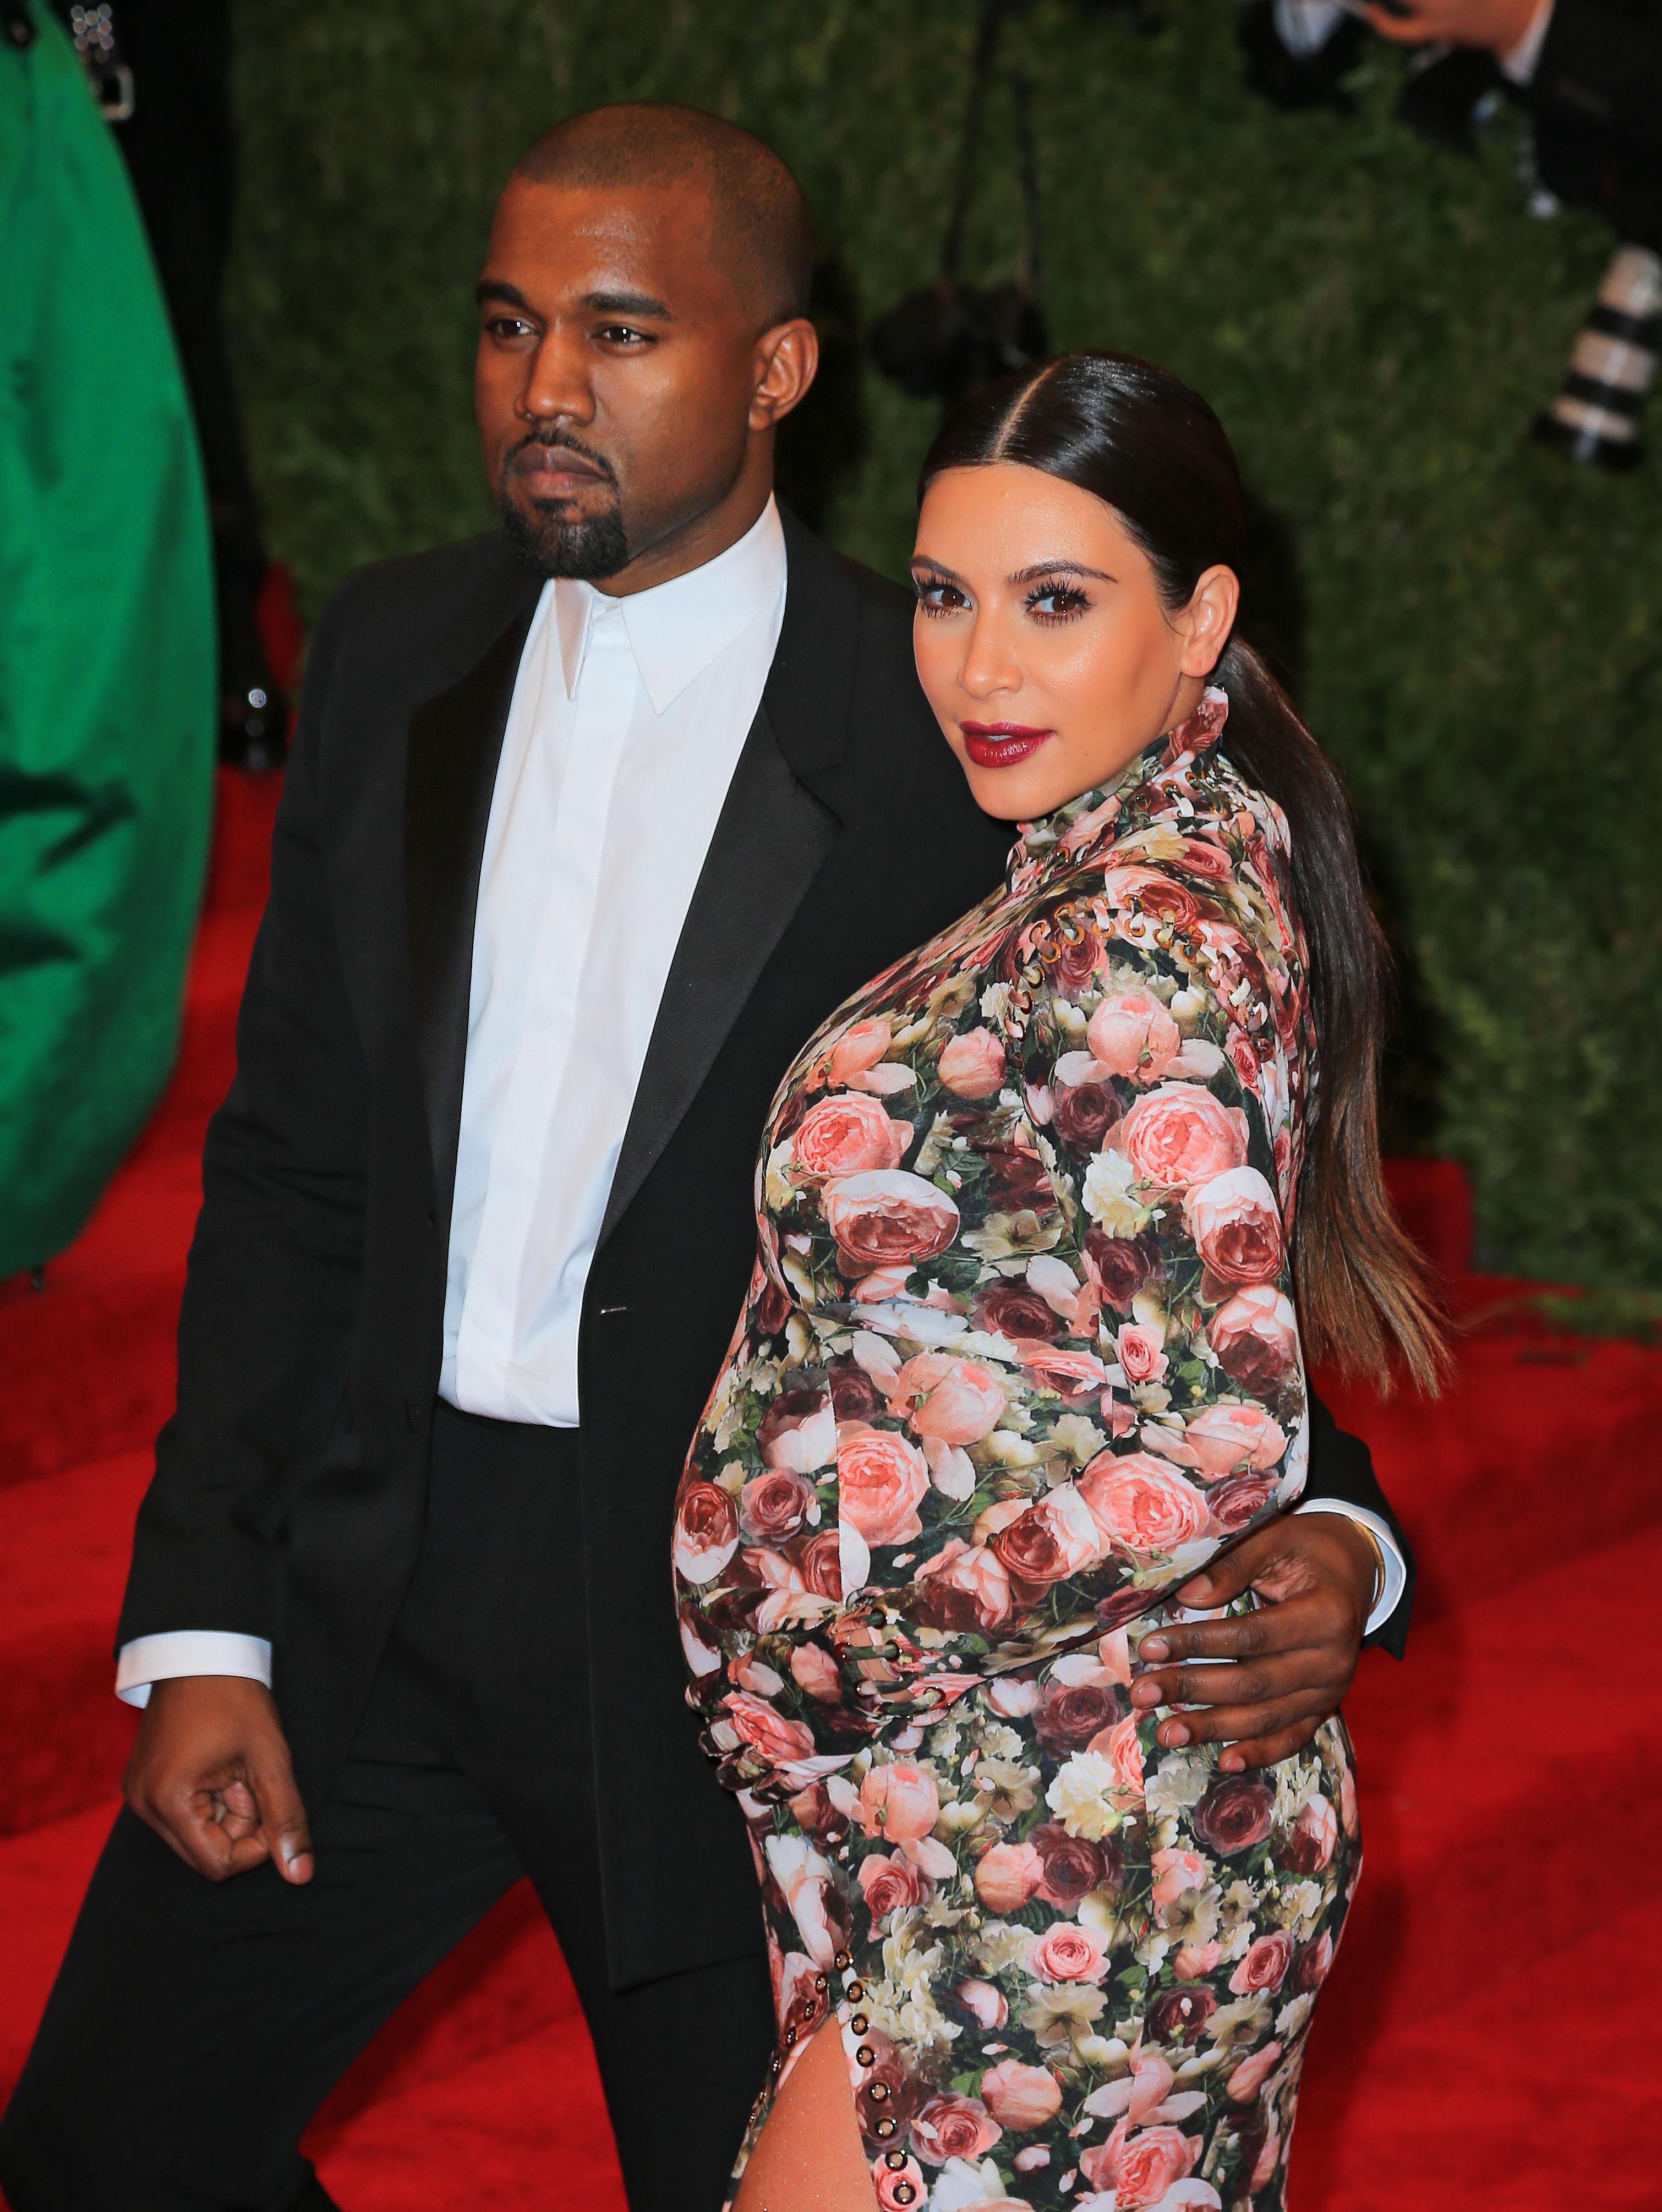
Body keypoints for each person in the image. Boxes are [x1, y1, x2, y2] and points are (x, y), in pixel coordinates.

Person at [0, 110, 1413, 2212]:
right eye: (508, 326)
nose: (546, 388)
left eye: (622, 330)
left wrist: (1331, 1530)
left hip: (739, 1666)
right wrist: (207, 1619)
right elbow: (290, 1164)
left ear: (775, 372)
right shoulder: (389, 658)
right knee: (113, 2142)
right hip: (381, 1581)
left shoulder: (954, 716)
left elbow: (1151, 1161)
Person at [674, 351, 1447, 2212]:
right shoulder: (1120, 857)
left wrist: (858, 1641)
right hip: (1012, 1809)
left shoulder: (1141, 924)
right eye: (943, 595)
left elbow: (1215, 1425)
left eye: (1055, 601)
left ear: (1201, 624)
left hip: (1065, 1841)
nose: (980, 667)